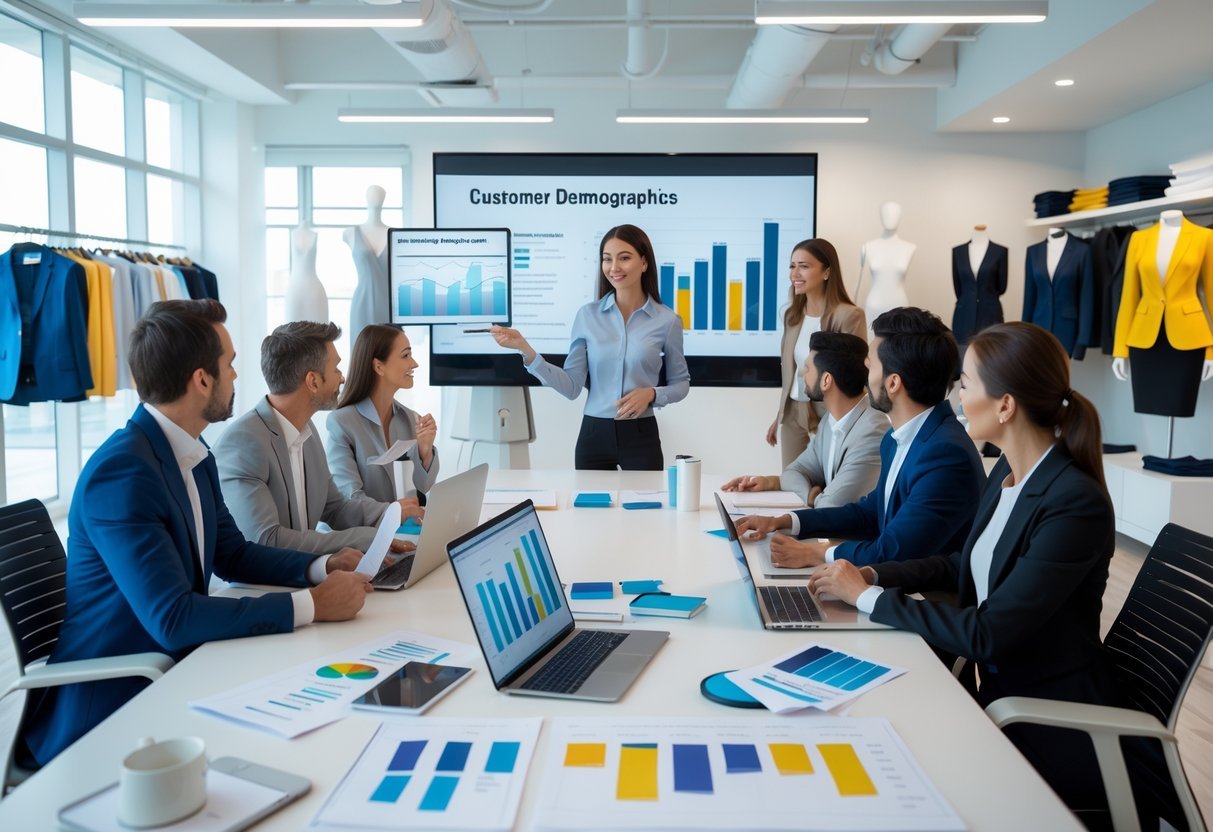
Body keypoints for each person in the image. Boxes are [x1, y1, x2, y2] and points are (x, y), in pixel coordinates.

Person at [808, 321, 1149, 826]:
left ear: (1005, 406)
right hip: (995, 695)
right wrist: (872, 575)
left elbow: (989, 633)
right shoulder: (1007, 474)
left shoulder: (1074, 503)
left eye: (965, 384)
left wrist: (866, 599)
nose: (956, 395)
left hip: (1046, 722)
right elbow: (959, 562)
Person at [21, 300, 371, 766]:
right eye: (229, 365)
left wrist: (320, 565)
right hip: (114, 706)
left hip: (179, 670)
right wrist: (311, 605)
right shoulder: (123, 473)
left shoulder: (192, 451)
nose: (236, 377)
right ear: (201, 379)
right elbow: (173, 618)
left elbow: (233, 555)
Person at [737, 307, 984, 568]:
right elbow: (869, 513)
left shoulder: (945, 454)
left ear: (893, 383)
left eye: (871, 365)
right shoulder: (897, 438)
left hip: (925, 598)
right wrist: (786, 521)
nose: (864, 375)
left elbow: (894, 550)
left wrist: (816, 555)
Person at [490, 224, 690, 470]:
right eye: (607, 259)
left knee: (645, 508)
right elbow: (572, 387)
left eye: (624, 258)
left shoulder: (667, 320)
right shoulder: (587, 316)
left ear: (644, 262)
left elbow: (681, 384)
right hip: (593, 435)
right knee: (588, 508)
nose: (614, 268)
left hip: (641, 435)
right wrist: (526, 350)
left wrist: (652, 394)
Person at [214, 321, 422, 555]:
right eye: (335, 369)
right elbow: (266, 539)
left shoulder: (306, 431)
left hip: (308, 575)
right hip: (264, 586)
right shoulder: (244, 442)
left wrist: (392, 513)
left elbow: (336, 508)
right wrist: (369, 539)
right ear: (313, 381)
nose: (342, 378)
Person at [723, 331, 886, 508]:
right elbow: (794, 472)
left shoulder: (872, 432)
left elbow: (830, 506)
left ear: (826, 380)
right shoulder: (830, 421)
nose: (801, 374)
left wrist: (814, 499)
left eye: (807, 368)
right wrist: (791, 489)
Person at [768, 238, 867, 468]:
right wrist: (780, 414)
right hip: (794, 410)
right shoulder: (792, 316)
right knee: (791, 481)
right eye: (792, 266)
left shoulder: (849, 316)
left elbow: (855, 375)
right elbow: (792, 372)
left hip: (830, 410)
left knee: (828, 482)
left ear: (826, 272)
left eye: (804, 266)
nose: (795, 273)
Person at [327, 324, 439, 517]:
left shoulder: (410, 419)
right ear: (379, 366)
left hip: (403, 531)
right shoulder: (341, 423)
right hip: (366, 536)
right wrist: (394, 512)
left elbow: (423, 488)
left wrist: (425, 451)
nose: (414, 364)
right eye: (405, 356)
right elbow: (350, 498)